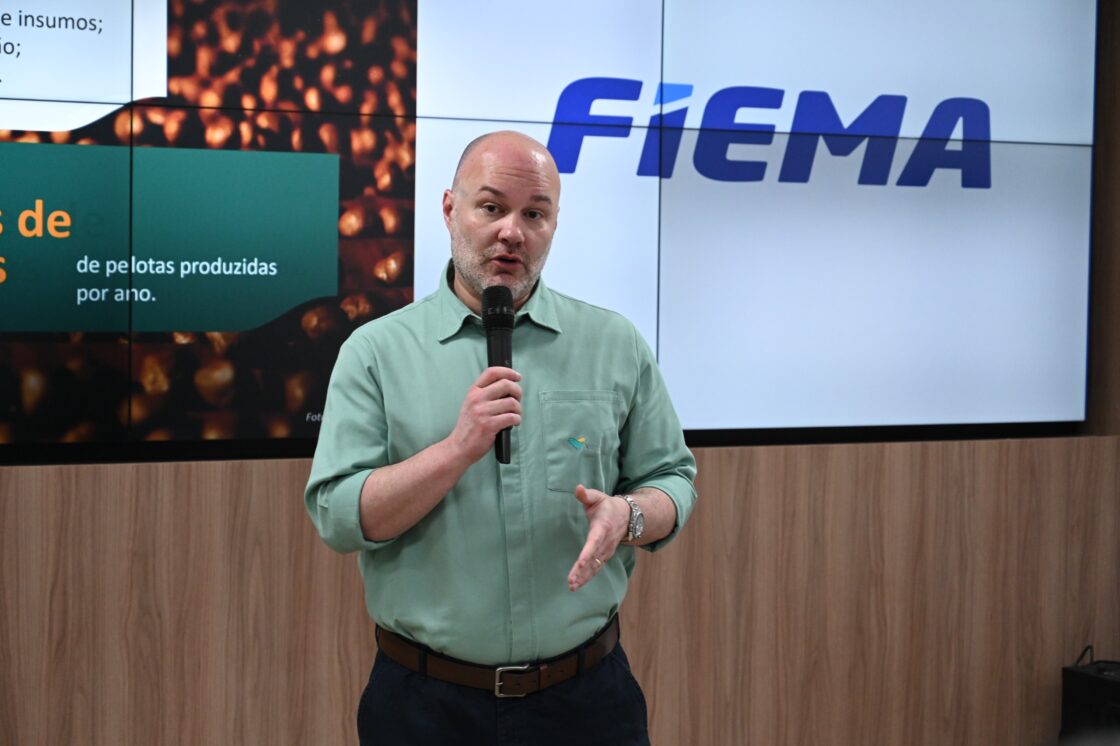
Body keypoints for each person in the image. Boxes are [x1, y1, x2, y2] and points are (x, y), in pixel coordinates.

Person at [305, 130, 697, 746]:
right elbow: (337, 517)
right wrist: (456, 449)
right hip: (425, 708)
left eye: (534, 214)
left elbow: (672, 480)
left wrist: (630, 515)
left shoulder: (613, 343)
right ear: (448, 209)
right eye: (491, 207)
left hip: (587, 702)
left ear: (554, 224)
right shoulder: (376, 351)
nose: (512, 231)